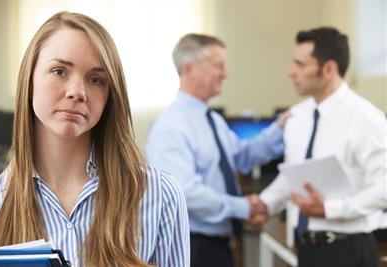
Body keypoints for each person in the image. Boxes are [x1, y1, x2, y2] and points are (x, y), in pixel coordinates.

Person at [0, 11, 189, 267]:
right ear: (29, 82)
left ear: (109, 97)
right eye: (59, 71)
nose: (77, 92)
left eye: (96, 80)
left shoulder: (161, 196)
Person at [146, 33, 289, 267]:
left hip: (218, 244)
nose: (226, 73)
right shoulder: (170, 127)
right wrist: (243, 207)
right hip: (192, 247)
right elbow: (185, 193)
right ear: (190, 68)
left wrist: (279, 128)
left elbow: (243, 156)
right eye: (218, 66)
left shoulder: (212, 120)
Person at [255, 27, 387, 267]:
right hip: (307, 249)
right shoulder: (297, 117)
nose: (291, 72)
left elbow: (384, 187)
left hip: (348, 250)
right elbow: (294, 176)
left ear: (328, 69)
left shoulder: (366, 118)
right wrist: (264, 203)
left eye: (300, 64)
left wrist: (330, 209)